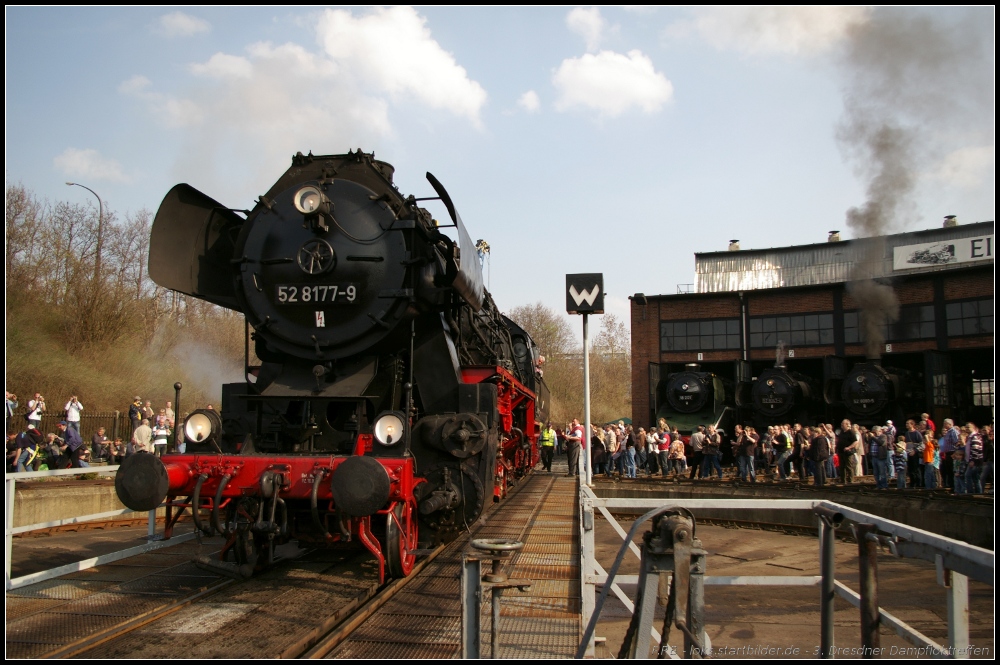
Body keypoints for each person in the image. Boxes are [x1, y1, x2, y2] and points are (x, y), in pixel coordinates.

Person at [938, 419, 960, 490]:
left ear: (950, 424)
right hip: (947, 453)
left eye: (945, 424)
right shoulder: (948, 432)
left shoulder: (953, 432)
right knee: (948, 470)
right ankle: (950, 485)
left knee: (952, 469)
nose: (944, 425)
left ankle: (954, 486)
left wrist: (955, 453)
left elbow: (957, 442)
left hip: (952, 452)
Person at [837, 420, 860, 484]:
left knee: (849, 466)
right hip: (841, 452)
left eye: (843, 423)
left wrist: (849, 447)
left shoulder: (850, 432)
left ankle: (850, 480)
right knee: (842, 467)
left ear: (847, 424)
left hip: (848, 452)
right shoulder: (841, 432)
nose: (841, 425)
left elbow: (855, 441)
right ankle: (843, 480)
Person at [964, 423, 984, 494]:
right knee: (975, 478)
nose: (966, 429)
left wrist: (972, 460)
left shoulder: (975, 436)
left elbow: (975, 449)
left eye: (968, 427)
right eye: (966, 427)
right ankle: (979, 493)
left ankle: (970, 492)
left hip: (975, 461)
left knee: (968, 475)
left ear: (973, 428)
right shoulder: (969, 437)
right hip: (971, 460)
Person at [869, 425, 890, 490]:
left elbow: (881, 443)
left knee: (882, 472)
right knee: (876, 473)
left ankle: (884, 486)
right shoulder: (873, 437)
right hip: (874, 457)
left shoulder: (883, 436)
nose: (874, 433)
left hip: (880, 458)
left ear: (880, 431)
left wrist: (873, 437)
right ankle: (878, 485)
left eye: (875, 432)